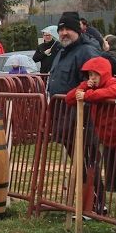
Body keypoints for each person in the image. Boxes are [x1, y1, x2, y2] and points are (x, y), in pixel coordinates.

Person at [66, 57, 116, 225]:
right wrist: (84, 86)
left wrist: (88, 95)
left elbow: (115, 93)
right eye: (90, 74)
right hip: (108, 143)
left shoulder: (115, 83)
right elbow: (70, 98)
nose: (92, 78)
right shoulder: (89, 86)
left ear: (104, 73)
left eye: (95, 74)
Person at [46, 11, 105, 214]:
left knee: (89, 161)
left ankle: (97, 204)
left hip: (84, 119)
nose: (63, 33)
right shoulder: (62, 52)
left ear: (78, 30)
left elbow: (96, 83)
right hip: (64, 118)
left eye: (67, 29)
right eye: (60, 29)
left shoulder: (87, 52)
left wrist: (84, 102)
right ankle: (84, 203)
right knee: (78, 162)